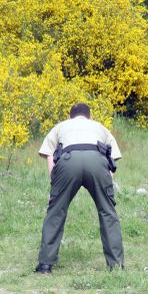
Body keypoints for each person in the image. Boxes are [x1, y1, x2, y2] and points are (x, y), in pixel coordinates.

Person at [35, 103, 124, 274]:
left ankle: (45, 265)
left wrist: (55, 187)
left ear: (70, 117)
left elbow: (49, 155)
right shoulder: (99, 127)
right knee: (107, 212)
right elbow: (113, 159)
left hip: (68, 160)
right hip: (97, 161)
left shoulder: (60, 126)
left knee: (56, 211)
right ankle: (116, 265)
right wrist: (106, 187)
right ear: (89, 117)